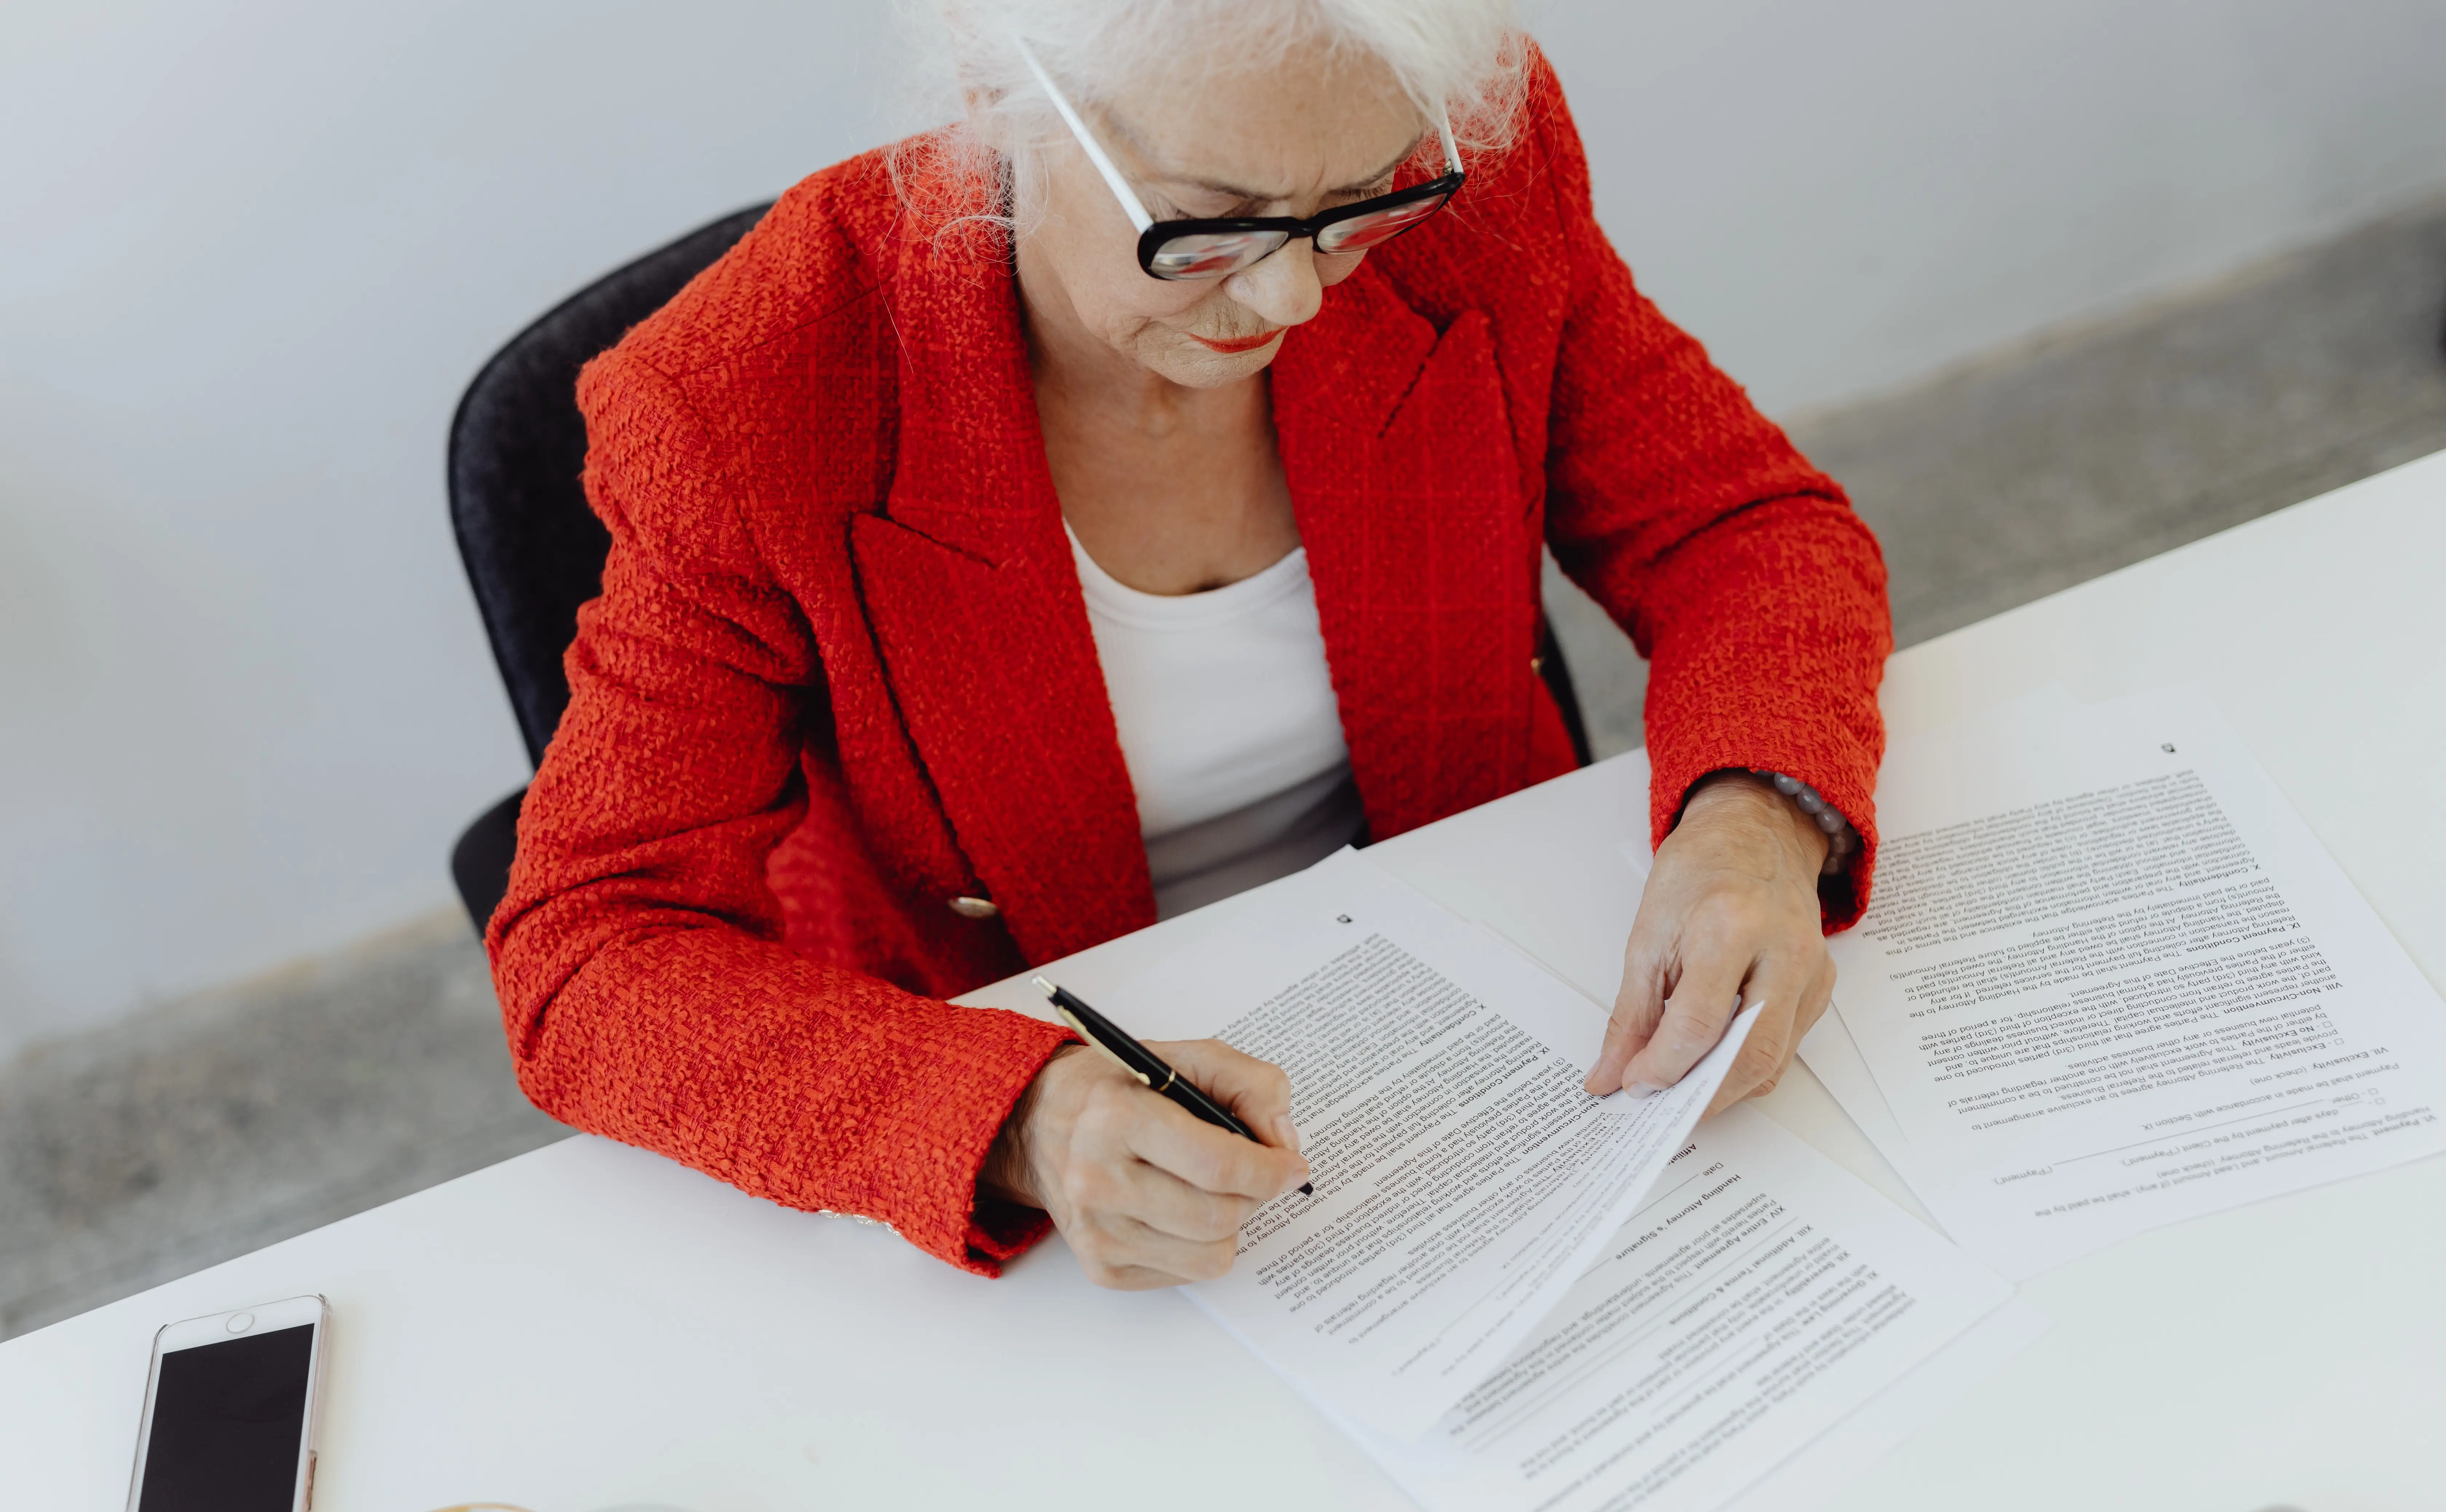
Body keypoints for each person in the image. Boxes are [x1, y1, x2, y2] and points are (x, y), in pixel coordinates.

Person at [487, 0, 1890, 1291]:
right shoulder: (747, 401)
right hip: (1048, 1063)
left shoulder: (1477, 180)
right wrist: (1019, 1121)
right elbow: (585, 948)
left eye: (1361, 209)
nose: (1293, 302)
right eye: (1206, 228)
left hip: (1486, 991)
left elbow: (1743, 529)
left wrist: (1753, 820)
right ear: (1000, 92)